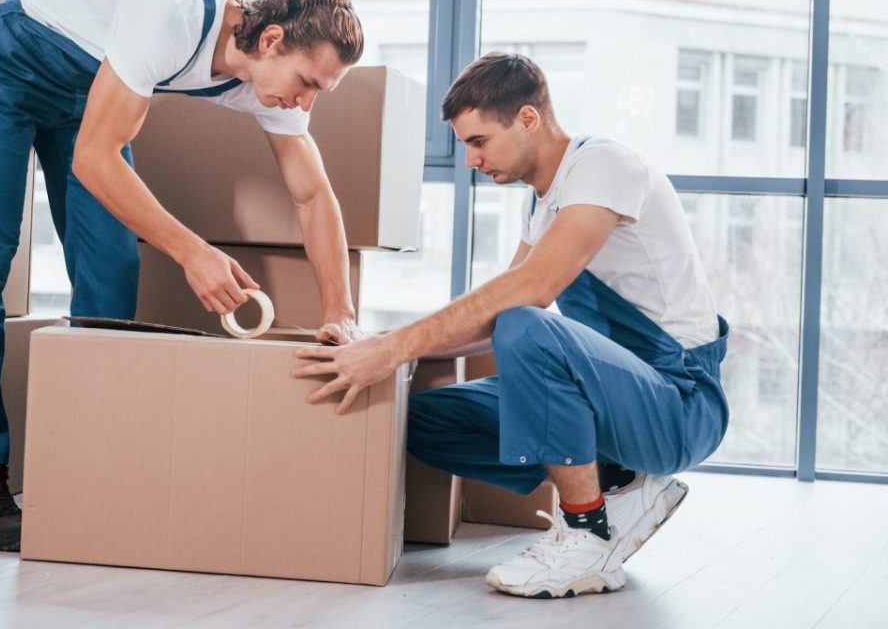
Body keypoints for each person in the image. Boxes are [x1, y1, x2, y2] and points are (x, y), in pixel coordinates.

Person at [0, 0, 366, 552]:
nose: (305, 103)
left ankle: (82, 468)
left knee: (111, 268)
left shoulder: (265, 80)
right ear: (271, 39)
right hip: (9, 62)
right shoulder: (170, 7)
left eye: (320, 91)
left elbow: (313, 197)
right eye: (307, 83)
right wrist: (193, 252)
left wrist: (339, 314)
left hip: (91, 91)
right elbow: (95, 158)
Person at [293, 51, 729, 598]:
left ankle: (589, 529)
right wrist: (379, 347)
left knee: (525, 323)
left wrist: (396, 348)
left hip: (677, 404)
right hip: (610, 396)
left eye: (479, 141)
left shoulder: (604, 166)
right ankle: (619, 483)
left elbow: (530, 293)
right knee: (418, 419)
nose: (471, 160)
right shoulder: (540, 204)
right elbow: (496, 315)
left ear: (527, 118)